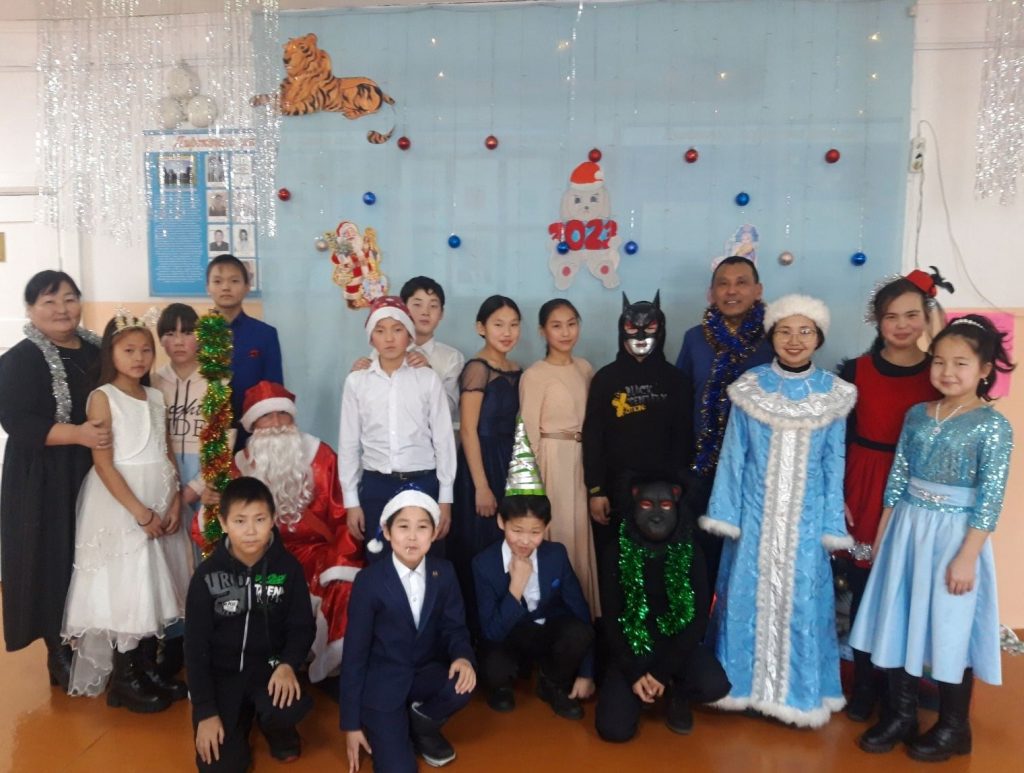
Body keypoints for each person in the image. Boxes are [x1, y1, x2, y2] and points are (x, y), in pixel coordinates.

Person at [850, 315, 1015, 762]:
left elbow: (990, 499)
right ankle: (901, 715)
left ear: (984, 369)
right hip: (907, 528)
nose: (947, 371)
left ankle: (954, 727)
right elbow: (897, 479)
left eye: (961, 363)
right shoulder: (918, 415)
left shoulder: (992, 426)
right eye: (939, 361)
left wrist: (967, 557)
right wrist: (884, 534)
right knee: (900, 617)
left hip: (955, 536)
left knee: (949, 624)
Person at [700, 294, 856, 727]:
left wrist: (829, 524)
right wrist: (727, 515)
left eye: (805, 331)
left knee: (802, 605)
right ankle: (741, 691)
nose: (794, 339)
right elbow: (734, 456)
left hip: (805, 525)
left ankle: (797, 697)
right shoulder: (751, 387)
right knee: (746, 600)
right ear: (771, 336)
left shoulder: (833, 394)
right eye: (785, 331)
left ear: (818, 338)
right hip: (755, 521)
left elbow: (834, 464)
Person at [61, 310, 193, 711]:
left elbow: (166, 452)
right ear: (111, 353)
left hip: (159, 498)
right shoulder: (103, 397)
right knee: (128, 585)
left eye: (145, 350)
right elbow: (103, 464)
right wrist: (140, 512)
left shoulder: (155, 397)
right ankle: (124, 678)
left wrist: (174, 499)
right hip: (123, 504)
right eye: (128, 350)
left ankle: (146, 667)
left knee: (153, 584)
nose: (138, 358)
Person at [837, 268, 948, 721]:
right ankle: (864, 684)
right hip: (864, 483)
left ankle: (902, 687)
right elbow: (838, 440)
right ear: (877, 321)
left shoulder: (940, 374)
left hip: (918, 490)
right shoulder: (854, 371)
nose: (902, 325)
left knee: (908, 588)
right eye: (891, 316)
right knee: (863, 589)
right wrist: (837, 493)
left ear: (927, 316)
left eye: (911, 315)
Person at [0, 270, 107, 690]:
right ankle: (58, 649)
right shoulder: (19, 360)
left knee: (94, 553)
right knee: (53, 557)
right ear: (30, 309)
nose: (61, 309)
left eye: (69, 298)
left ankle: (101, 641)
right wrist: (78, 434)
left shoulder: (98, 350)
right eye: (49, 301)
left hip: (95, 468)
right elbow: (18, 422)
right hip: (43, 477)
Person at [229, 380, 363, 683]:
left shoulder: (321, 456)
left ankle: (331, 669)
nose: (277, 423)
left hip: (317, 552)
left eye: (283, 414)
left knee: (343, 585)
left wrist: (338, 563)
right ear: (253, 425)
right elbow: (224, 524)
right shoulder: (239, 466)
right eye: (266, 416)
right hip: (263, 553)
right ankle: (271, 666)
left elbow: (344, 518)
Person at [186, 476, 316, 771]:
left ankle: (275, 727)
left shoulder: (288, 569)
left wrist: (287, 664)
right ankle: (240, 719)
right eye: (240, 521)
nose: (250, 531)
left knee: (288, 707)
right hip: (223, 678)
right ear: (223, 522)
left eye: (260, 519)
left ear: (272, 520)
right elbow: (195, 648)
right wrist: (205, 712)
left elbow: (302, 626)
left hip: (270, 669)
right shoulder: (206, 576)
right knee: (219, 766)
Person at [341, 490, 476, 771]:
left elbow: (455, 628)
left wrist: (462, 657)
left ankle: (421, 723)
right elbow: (354, 655)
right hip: (384, 683)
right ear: (387, 532)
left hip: (424, 673)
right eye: (403, 526)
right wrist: (351, 725)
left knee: (462, 684)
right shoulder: (369, 581)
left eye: (422, 527)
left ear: (434, 533)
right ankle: (387, 724)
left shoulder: (444, 572)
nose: (412, 537)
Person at [471, 424, 595, 718]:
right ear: (501, 523)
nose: (525, 541)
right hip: (506, 637)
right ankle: (504, 685)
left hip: (543, 632)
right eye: (517, 530)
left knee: (577, 633)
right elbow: (491, 631)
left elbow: (580, 613)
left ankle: (551, 683)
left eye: (535, 532)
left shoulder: (556, 555)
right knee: (493, 666)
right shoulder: (483, 564)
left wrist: (586, 672)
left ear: (546, 528)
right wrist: (516, 587)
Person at [595, 480, 731, 742]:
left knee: (714, 685)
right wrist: (634, 674)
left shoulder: (691, 551)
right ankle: (640, 692)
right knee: (613, 730)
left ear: (677, 507)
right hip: (633, 647)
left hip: (675, 646)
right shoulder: (616, 551)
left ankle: (675, 692)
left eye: (666, 505)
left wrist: (661, 673)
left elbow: (698, 619)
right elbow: (611, 620)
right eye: (647, 505)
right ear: (634, 505)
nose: (657, 514)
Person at [674, 256, 772, 594]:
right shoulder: (694, 339)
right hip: (703, 468)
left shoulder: (774, 338)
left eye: (741, 282)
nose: (732, 291)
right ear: (711, 293)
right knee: (703, 552)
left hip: (758, 469)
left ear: (758, 290)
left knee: (751, 552)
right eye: (723, 284)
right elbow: (681, 399)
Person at [339, 297, 456, 563]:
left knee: (427, 561)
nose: (389, 338)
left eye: (397, 329)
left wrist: (445, 498)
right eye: (380, 331)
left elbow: (444, 440)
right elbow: (348, 444)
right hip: (376, 484)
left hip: (423, 481)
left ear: (409, 335)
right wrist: (351, 501)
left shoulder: (427, 378)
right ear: (371, 338)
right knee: (380, 563)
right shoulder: (357, 382)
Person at [583, 292, 694, 560]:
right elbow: (593, 436)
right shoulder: (605, 379)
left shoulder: (677, 381)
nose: (641, 335)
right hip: (614, 491)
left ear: (661, 329)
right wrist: (596, 490)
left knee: (664, 563)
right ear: (622, 329)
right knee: (615, 558)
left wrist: (680, 491)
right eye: (633, 328)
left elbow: (684, 438)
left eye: (649, 327)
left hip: (664, 494)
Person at [519, 298, 599, 614]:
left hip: (583, 459)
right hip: (552, 463)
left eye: (571, 324)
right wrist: (533, 486)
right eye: (556, 325)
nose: (565, 332)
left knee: (581, 535)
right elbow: (528, 434)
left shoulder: (585, 368)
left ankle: (584, 615)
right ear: (543, 331)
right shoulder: (535, 374)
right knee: (560, 533)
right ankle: (554, 615)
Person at [450, 296, 522, 612]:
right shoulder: (477, 369)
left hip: (511, 462)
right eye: (498, 324)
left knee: (512, 542)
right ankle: (476, 627)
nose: (507, 332)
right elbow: (468, 430)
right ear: (481, 328)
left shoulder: (518, 369)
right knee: (481, 544)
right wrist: (481, 486)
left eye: (513, 325)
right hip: (480, 464)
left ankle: (507, 618)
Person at [350, 276, 465, 428]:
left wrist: (428, 374)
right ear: (403, 310)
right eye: (417, 304)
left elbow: (448, 411)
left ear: (442, 313)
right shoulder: (381, 353)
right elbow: (368, 408)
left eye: (433, 306)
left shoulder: (452, 357)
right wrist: (357, 378)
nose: (425, 312)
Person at [206, 254, 283, 450]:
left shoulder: (265, 334)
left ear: (247, 286)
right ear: (208, 287)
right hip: (207, 431)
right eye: (218, 281)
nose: (226, 287)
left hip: (253, 434)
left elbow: (274, 389)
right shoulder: (197, 333)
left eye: (234, 281)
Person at [154, 303, 208, 564]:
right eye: (170, 333)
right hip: (165, 477)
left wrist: (195, 489)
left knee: (202, 553)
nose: (178, 341)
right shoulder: (152, 383)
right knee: (170, 558)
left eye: (187, 333)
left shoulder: (217, 383)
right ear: (160, 340)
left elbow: (223, 443)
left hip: (204, 481)